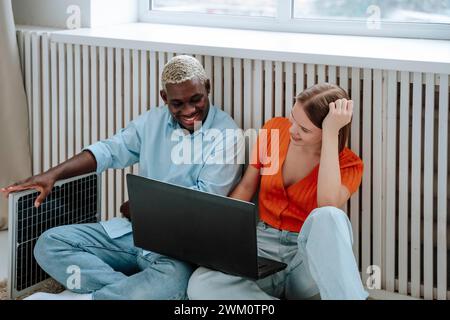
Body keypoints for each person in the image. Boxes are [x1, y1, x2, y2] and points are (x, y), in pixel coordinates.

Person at [1, 55, 242, 300]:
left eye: (196, 99)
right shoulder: (152, 120)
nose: (189, 111)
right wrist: (52, 174)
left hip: (177, 249)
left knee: (174, 282)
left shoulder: (228, 135)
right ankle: (128, 290)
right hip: (131, 233)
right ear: (164, 98)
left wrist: (147, 209)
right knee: (49, 243)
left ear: (208, 88)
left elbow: (205, 203)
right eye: (177, 103)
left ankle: (96, 297)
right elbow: (109, 150)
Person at [187, 83, 369, 300]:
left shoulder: (348, 163)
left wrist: (331, 134)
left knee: (330, 215)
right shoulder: (274, 131)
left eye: (305, 129)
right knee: (201, 283)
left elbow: (327, 203)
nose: (293, 130)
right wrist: (216, 233)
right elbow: (246, 187)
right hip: (262, 246)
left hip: (306, 258)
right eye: (293, 119)